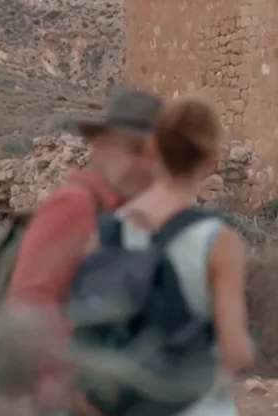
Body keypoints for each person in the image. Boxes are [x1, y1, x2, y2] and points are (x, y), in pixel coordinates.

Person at [82, 95, 254, 416]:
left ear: (152, 149)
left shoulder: (105, 232)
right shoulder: (218, 241)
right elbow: (235, 351)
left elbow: (89, 334)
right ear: (211, 161)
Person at [6, 87, 165, 415]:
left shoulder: (125, 215)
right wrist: (68, 394)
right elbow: (29, 305)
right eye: (135, 150)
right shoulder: (76, 205)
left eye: (154, 154)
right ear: (99, 146)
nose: (145, 165)